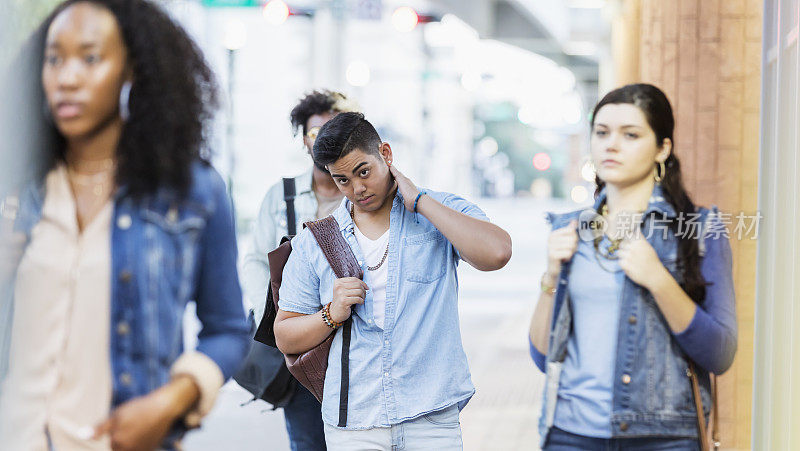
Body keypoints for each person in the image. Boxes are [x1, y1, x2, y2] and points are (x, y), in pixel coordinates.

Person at [0, 1, 250, 449]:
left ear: (131, 69)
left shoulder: (191, 191)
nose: (67, 77)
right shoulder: (15, 185)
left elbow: (229, 330)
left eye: (90, 57)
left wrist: (173, 400)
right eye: (54, 59)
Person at [273, 112, 512, 450]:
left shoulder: (439, 211)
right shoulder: (315, 242)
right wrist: (331, 313)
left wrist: (420, 203)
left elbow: (498, 253)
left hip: (431, 416)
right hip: (355, 423)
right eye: (342, 180)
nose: (356, 189)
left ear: (385, 153)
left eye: (363, 172)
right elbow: (285, 336)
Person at [528, 84, 737, 450]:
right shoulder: (570, 229)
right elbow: (544, 357)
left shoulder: (700, 229)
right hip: (570, 434)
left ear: (662, 148)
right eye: (602, 132)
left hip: (663, 437)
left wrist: (659, 280)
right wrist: (551, 277)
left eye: (631, 135)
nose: (611, 145)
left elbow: (720, 354)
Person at [241, 89, 359, 451]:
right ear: (303, 140)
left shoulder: (363, 194)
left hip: (354, 349)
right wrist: (273, 320)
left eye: (331, 129)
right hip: (300, 350)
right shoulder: (282, 196)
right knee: (307, 442)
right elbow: (256, 261)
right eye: (313, 132)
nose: (322, 138)